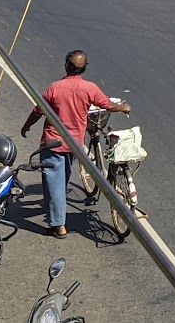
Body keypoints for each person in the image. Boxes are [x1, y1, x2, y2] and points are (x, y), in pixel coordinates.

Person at [21, 50, 131, 238]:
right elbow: (107, 104)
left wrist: (26, 126)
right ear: (84, 69)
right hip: (74, 145)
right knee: (61, 181)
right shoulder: (89, 88)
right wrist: (123, 107)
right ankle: (56, 217)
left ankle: (59, 226)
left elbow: (38, 111)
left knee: (54, 185)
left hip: (53, 144)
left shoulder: (55, 88)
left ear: (66, 66)